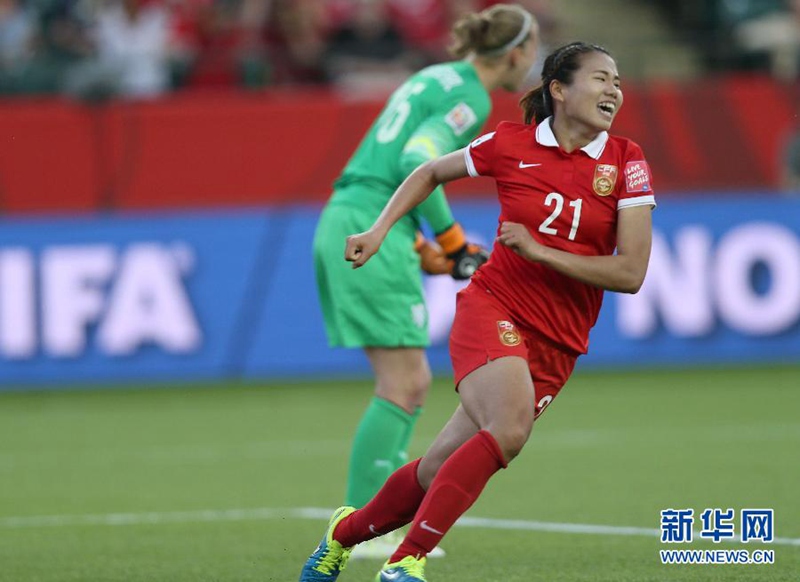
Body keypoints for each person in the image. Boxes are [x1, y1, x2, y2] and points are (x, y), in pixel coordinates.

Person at [300, 40, 656, 582]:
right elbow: (428, 171)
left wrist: (540, 251)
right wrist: (379, 230)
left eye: (618, 82)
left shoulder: (627, 161)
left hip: (560, 339)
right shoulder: (509, 144)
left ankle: (341, 535)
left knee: (438, 467)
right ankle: (406, 562)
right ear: (559, 90)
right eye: (601, 78)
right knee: (509, 429)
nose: (614, 90)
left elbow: (630, 273)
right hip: (495, 306)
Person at [311, 3, 539, 560]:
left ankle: (372, 521)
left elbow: (393, 158)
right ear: (515, 53)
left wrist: (419, 244)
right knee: (404, 382)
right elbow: (418, 158)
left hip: (359, 213)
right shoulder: (472, 97)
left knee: (408, 382)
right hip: (371, 217)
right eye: (533, 51)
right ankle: (362, 524)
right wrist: (454, 242)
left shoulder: (438, 76)